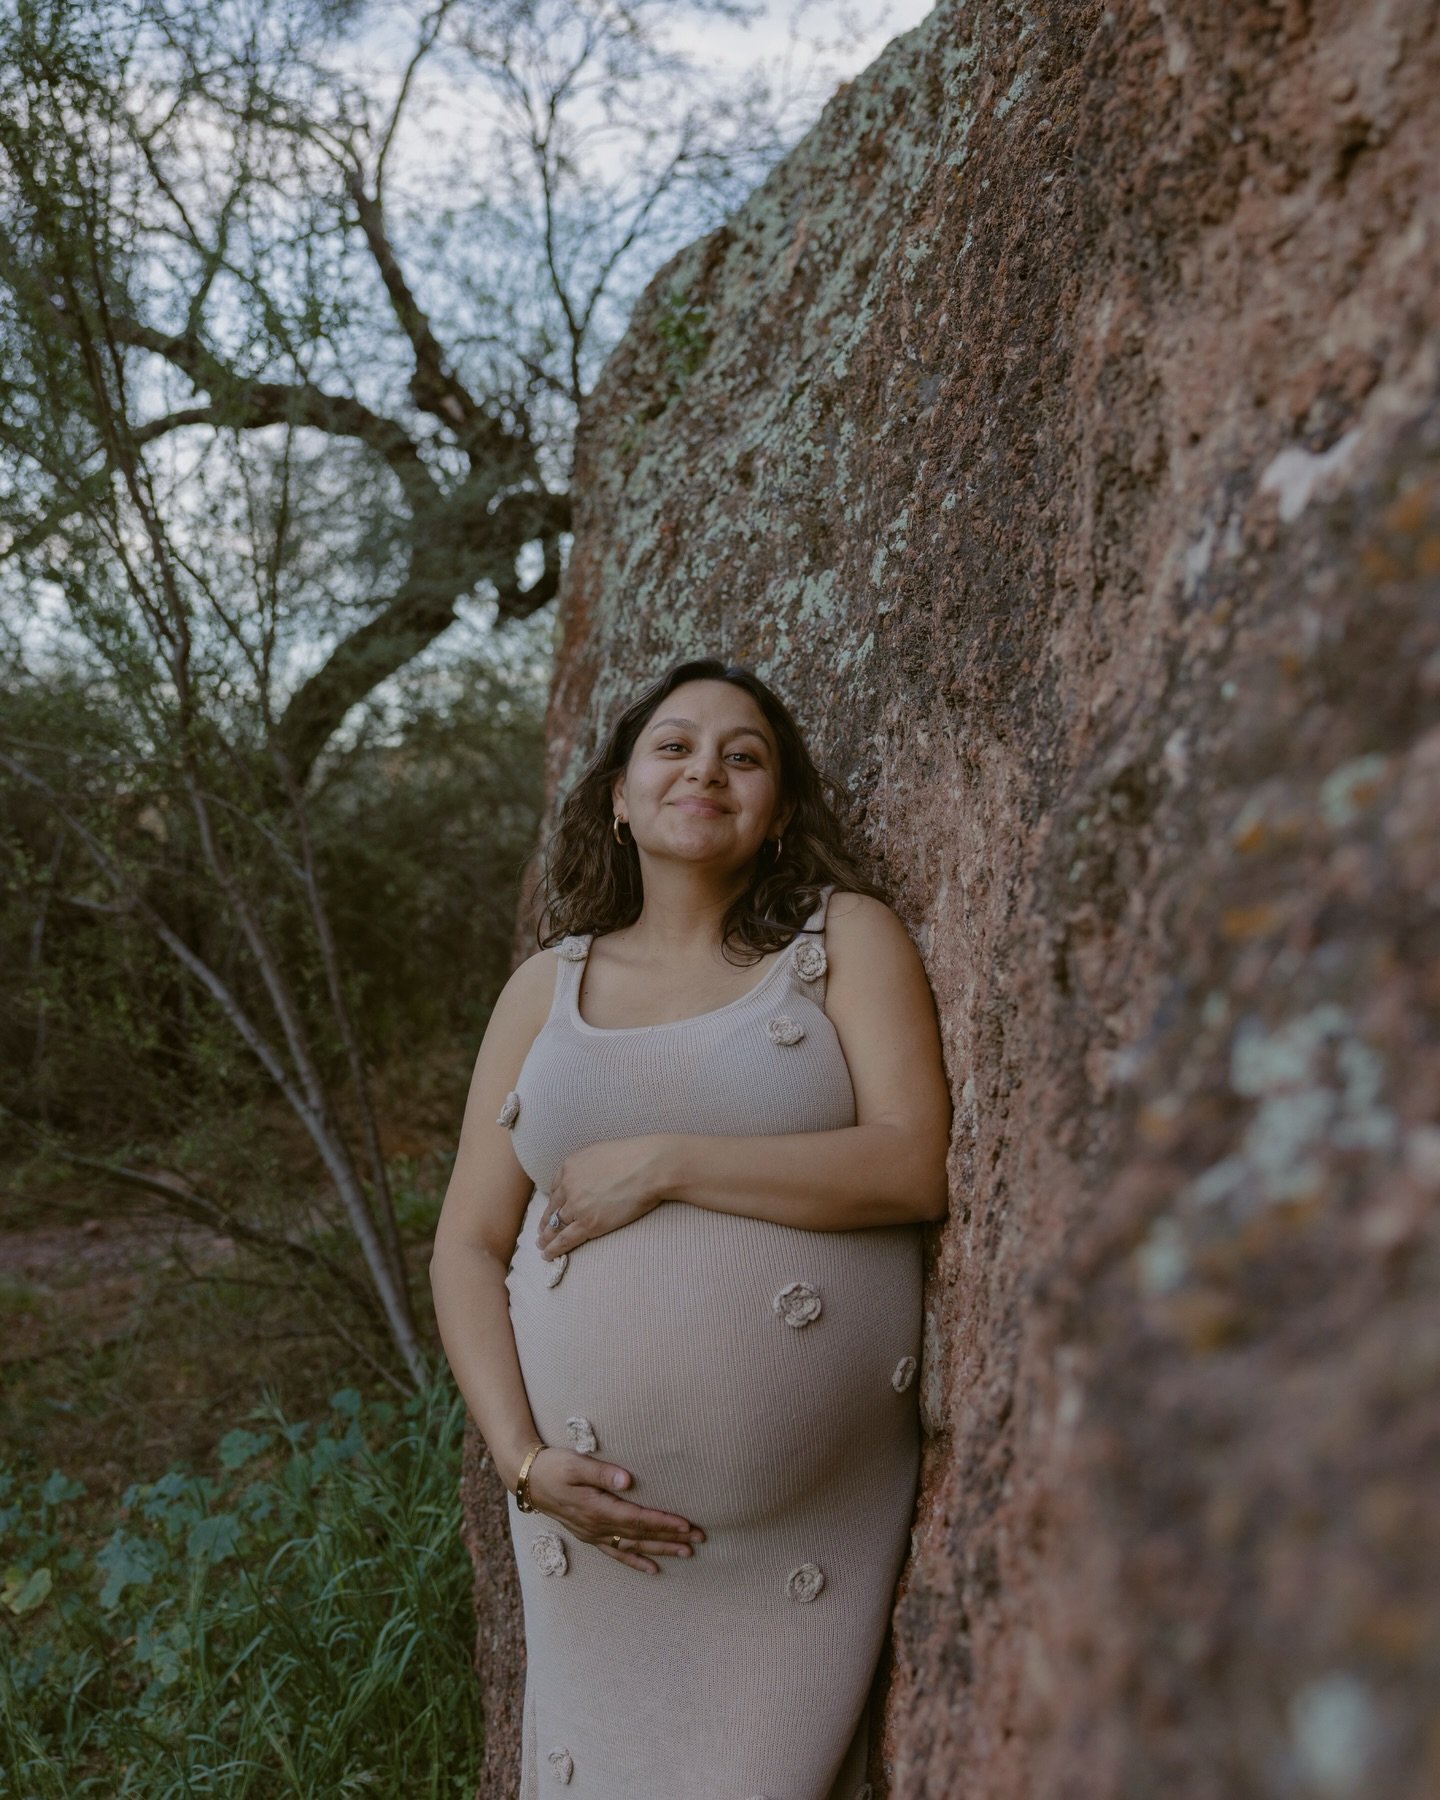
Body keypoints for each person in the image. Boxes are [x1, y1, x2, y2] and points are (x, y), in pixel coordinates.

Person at [429, 657, 952, 1800]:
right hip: (586, 1534)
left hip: (795, 1548)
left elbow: (912, 1165)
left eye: (744, 754)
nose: (706, 769)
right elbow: (466, 1247)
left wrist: (666, 1165)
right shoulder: (542, 994)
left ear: (777, 811)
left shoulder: (840, 943)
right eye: (674, 746)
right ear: (618, 795)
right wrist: (523, 1464)